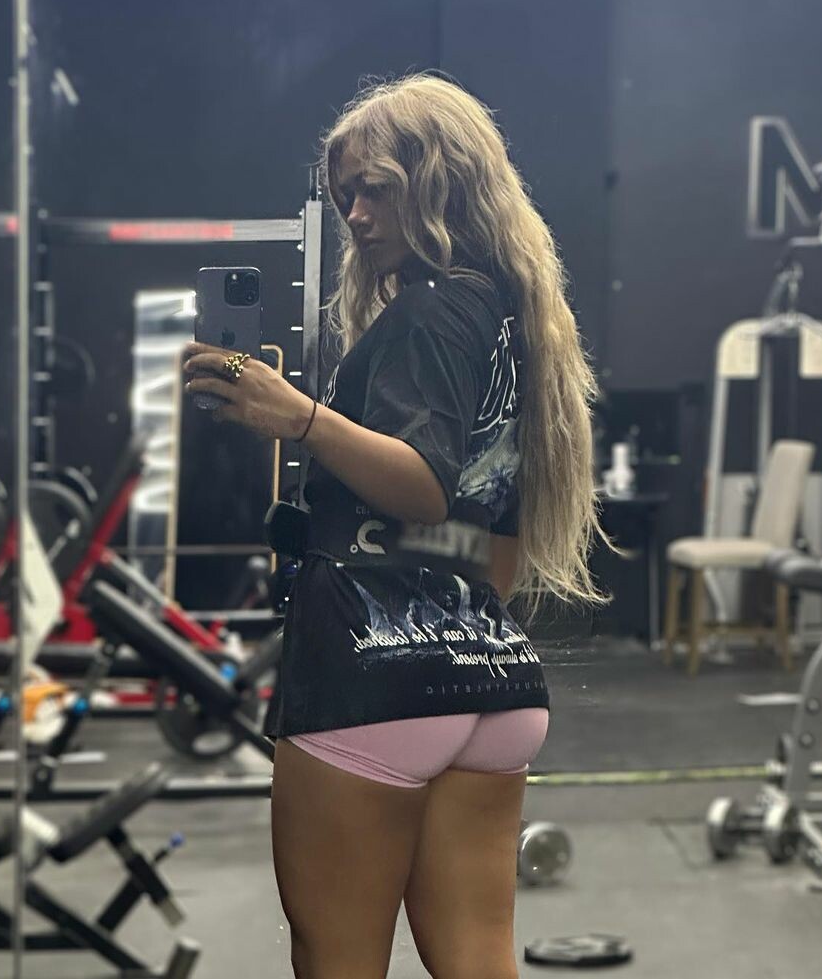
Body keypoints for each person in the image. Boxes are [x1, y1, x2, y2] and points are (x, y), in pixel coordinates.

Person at [184, 74, 606, 979]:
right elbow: (493, 548)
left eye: (376, 189)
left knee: (337, 961)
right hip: (492, 684)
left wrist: (298, 416)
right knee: (479, 962)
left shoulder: (430, 312)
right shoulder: (507, 315)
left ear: (442, 182)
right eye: (347, 197)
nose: (358, 215)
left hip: (370, 681)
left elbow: (420, 487)